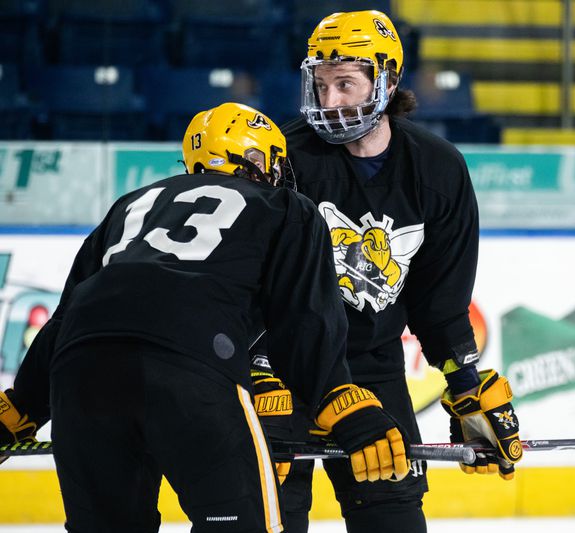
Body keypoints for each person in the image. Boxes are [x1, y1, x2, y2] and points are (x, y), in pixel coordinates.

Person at [0, 102, 410, 532]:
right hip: (189, 369)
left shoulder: (130, 205)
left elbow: (66, 321)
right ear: (255, 158)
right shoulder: (287, 206)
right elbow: (304, 320)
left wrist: (22, 407)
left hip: (79, 373)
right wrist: (341, 402)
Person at [264, 10, 524, 533]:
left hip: (371, 370)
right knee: (271, 518)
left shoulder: (438, 168)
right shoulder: (283, 159)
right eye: (321, 85)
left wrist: (464, 383)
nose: (329, 101)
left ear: (386, 81)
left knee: (393, 518)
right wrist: (256, 373)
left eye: (345, 84)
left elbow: (439, 300)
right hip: (282, 374)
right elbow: (245, 283)